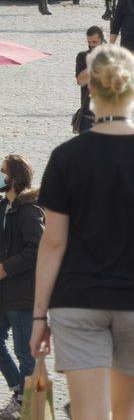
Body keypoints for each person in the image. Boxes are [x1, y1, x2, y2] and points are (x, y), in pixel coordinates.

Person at [32, 45, 134, 420]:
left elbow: (53, 241)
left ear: (91, 89)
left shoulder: (66, 157)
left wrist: (39, 318)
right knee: (127, 415)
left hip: (77, 300)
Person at [0, 155, 42, 417]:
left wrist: (5, 268)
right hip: (4, 292)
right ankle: (19, 391)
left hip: (24, 292)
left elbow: (36, 250)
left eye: (2, 170)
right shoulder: (3, 206)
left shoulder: (29, 210)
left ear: (12, 178)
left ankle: (29, 405)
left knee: (25, 352)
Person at [76, 26, 134, 133]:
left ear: (102, 40)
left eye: (95, 42)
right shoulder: (83, 57)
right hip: (89, 118)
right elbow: (80, 81)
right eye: (89, 42)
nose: (91, 45)